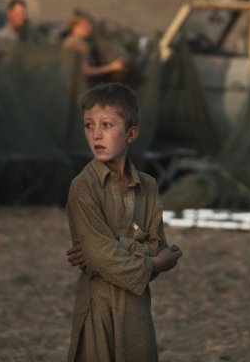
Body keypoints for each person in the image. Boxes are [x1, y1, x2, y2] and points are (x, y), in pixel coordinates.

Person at [65, 82, 182, 361]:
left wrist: (114, 247)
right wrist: (154, 262)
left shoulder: (149, 187)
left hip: (136, 311)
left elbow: (154, 245)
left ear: (131, 134)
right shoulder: (83, 187)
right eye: (88, 125)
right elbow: (102, 256)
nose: (96, 135)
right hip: (98, 307)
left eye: (106, 125)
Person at [62, 10, 127, 81]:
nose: (89, 27)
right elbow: (86, 71)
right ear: (75, 27)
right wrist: (112, 67)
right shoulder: (77, 44)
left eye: (90, 24)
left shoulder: (84, 41)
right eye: (85, 25)